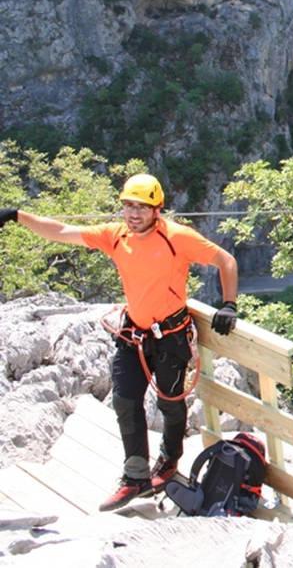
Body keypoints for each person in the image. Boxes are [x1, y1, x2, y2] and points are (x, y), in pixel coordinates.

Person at [0, 174, 239, 512]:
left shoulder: (177, 238)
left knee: (171, 404)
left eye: (141, 207)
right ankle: (135, 476)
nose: (133, 213)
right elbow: (62, 232)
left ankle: (170, 460)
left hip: (171, 337)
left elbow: (225, 261)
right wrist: (16, 215)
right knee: (125, 401)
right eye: (128, 206)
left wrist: (229, 304)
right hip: (134, 336)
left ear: (157, 209)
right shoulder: (116, 236)